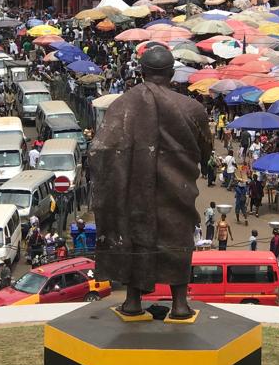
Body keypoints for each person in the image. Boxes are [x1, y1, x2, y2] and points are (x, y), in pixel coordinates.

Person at [89, 44, 212, 322]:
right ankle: (179, 304)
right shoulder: (193, 108)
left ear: (141, 72)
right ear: (171, 73)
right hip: (177, 189)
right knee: (177, 239)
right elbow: (206, 151)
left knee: (136, 236)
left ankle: (133, 301)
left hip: (134, 188)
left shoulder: (122, 105)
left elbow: (101, 148)